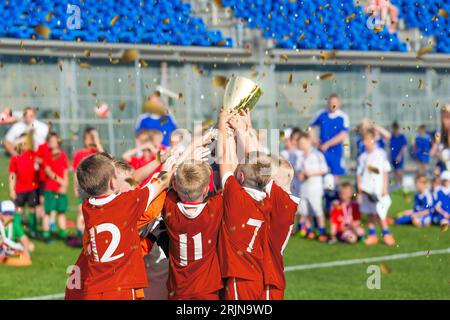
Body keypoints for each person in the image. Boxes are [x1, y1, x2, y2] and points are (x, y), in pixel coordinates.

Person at [65, 152, 176, 300]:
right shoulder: (127, 204)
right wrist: (170, 166)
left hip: (92, 287)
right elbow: (161, 183)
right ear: (113, 183)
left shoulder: (88, 206)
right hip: (120, 287)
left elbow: (131, 180)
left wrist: (158, 160)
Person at [217, 109, 272, 300]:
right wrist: (246, 129)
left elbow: (225, 156)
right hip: (258, 272)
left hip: (240, 276)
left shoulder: (235, 197)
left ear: (240, 176)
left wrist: (222, 127)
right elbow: (260, 164)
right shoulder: (268, 199)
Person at [163, 161, 223, 300]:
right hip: (207, 289)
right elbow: (227, 183)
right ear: (205, 190)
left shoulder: (169, 207)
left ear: (176, 186)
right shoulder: (214, 208)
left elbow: (167, 185)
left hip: (178, 290)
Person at [263, 156, 299, 300]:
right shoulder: (284, 201)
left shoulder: (281, 201)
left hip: (269, 277)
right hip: (271, 273)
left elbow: (259, 171)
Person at [356, 129, 395, 246]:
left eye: (368, 140)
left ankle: (387, 234)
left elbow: (385, 171)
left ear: (373, 140)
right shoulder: (362, 156)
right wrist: (359, 189)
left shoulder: (380, 154)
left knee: (380, 212)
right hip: (366, 189)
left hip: (377, 188)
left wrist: (384, 187)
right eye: (364, 140)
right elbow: (359, 173)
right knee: (370, 213)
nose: (366, 142)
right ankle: (372, 235)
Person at [68, 127, 104, 246]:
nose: (90, 141)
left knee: (96, 212)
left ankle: (93, 237)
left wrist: (97, 141)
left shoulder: (96, 153)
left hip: (96, 187)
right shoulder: (80, 153)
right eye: (88, 138)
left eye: (92, 138)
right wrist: (75, 187)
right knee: (81, 210)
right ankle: (80, 236)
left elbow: (105, 158)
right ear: (84, 140)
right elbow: (76, 172)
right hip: (83, 187)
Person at [296, 131, 329, 242]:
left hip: (315, 187)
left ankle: (322, 231)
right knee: (305, 210)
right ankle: (309, 230)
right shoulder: (300, 157)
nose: (302, 145)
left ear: (309, 141)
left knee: (317, 209)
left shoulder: (317, 154)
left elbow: (324, 169)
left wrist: (311, 173)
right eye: (300, 143)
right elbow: (298, 170)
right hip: (304, 187)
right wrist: (300, 175)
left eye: (304, 142)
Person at [310, 94, 349, 184]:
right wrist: (314, 140)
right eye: (331, 103)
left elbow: (343, 134)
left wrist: (328, 144)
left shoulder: (343, 117)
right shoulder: (321, 114)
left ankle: (335, 195)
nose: (333, 105)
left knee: (335, 175)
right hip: (321, 150)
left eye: (335, 103)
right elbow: (310, 127)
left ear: (339, 104)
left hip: (336, 151)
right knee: (321, 172)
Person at [8, 132, 38, 236]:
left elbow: (34, 144)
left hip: (32, 189)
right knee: (18, 210)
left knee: (32, 209)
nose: (23, 145)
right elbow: (12, 175)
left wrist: (28, 139)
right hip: (19, 190)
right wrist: (11, 189)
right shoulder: (15, 157)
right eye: (21, 143)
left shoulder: (32, 154)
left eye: (25, 142)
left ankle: (33, 231)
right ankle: (16, 230)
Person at [42, 132, 69, 241]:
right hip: (50, 188)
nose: (53, 143)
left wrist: (65, 185)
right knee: (48, 211)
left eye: (55, 140)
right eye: (50, 141)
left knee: (61, 211)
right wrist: (61, 182)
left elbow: (65, 171)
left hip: (61, 189)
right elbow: (48, 171)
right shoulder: (48, 155)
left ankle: (63, 232)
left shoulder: (63, 155)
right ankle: (46, 233)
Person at [0, 200, 34, 266]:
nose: (9, 216)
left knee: (30, 246)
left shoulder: (15, 225)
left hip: (9, 247)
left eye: (11, 214)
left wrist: (26, 252)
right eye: (6, 214)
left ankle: (10, 256)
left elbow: (24, 239)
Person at [389, 121, 408, 189]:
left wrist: (400, 156)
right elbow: (390, 147)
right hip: (393, 157)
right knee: (395, 171)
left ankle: (401, 184)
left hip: (399, 157)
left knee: (399, 171)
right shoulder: (392, 137)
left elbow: (404, 147)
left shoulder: (402, 137)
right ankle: (397, 185)